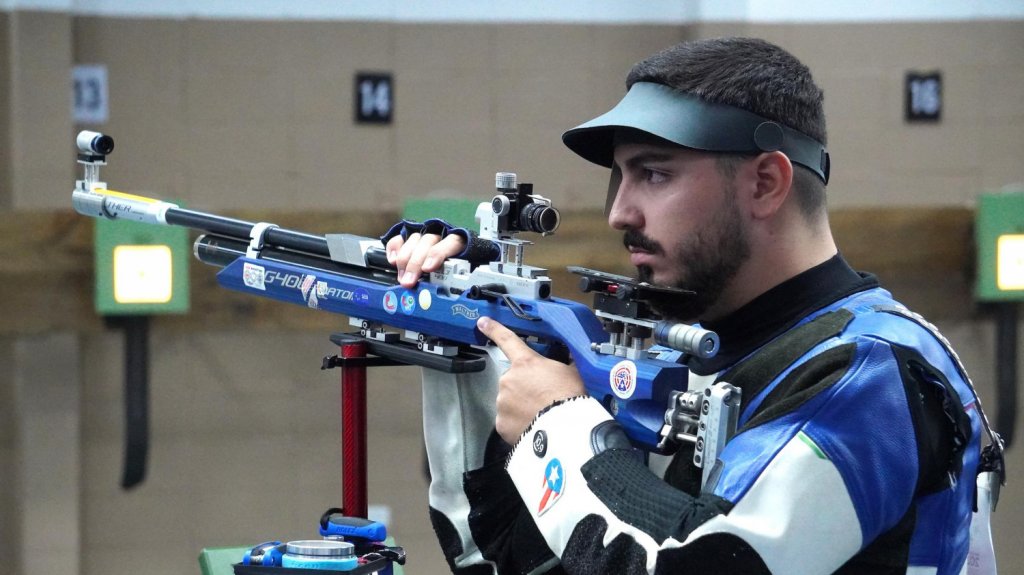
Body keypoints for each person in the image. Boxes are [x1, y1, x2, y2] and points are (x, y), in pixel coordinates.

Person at [385, 37, 1001, 574]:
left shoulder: (870, 372)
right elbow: (513, 559)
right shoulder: (711, 353)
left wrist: (558, 424)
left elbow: (693, 562)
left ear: (766, 182)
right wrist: (464, 334)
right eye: (619, 178)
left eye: (653, 174)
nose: (619, 212)